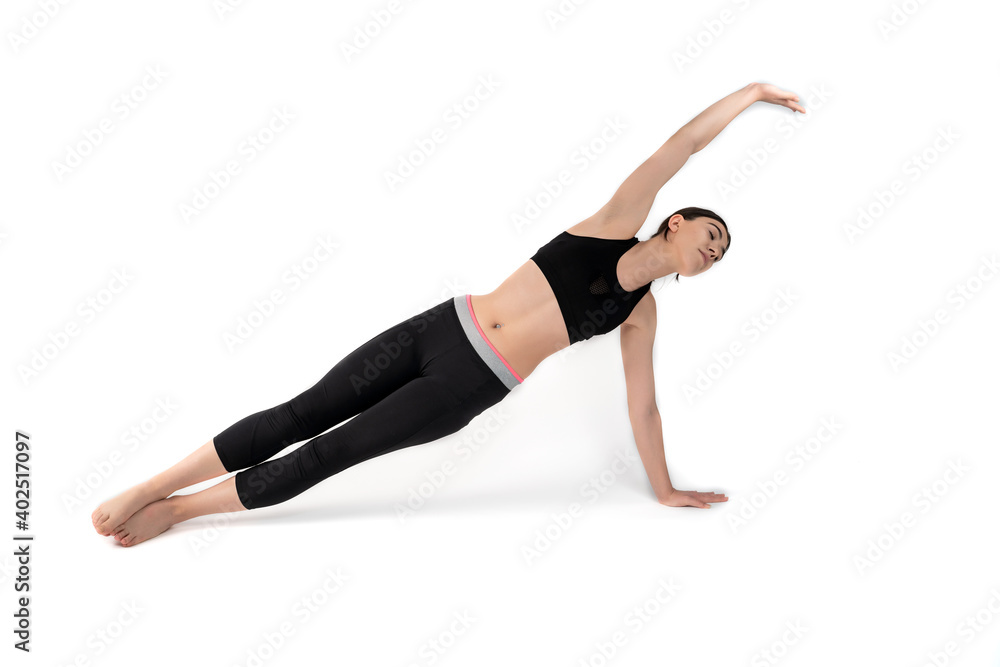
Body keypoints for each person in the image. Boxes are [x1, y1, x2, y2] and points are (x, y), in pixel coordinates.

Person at [92, 81, 805, 547]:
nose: (712, 253)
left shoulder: (639, 313)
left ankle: (182, 511)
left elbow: (643, 407)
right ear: (674, 223)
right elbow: (678, 146)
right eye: (710, 237)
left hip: (467, 386)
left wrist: (665, 488)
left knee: (330, 451)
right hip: (439, 327)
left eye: (720, 256)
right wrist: (751, 96)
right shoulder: (615, 221)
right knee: (300, 412)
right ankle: (154, 483)